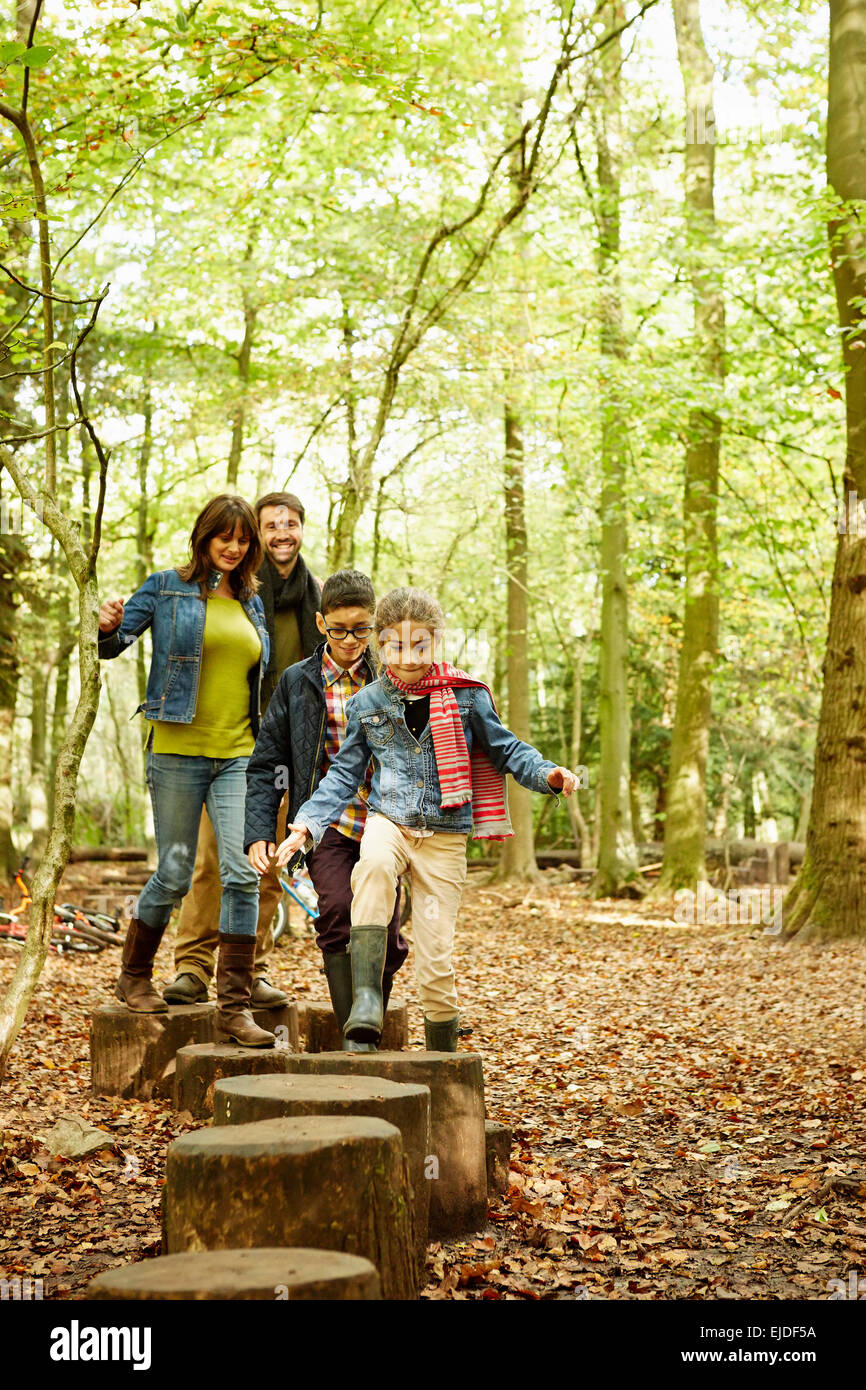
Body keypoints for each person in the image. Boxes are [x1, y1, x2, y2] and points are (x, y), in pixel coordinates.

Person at [273, 586, 580, 1051]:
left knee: (436, 961)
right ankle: (366, 1001)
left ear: (436, 641)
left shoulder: (467, 697)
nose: (408, 655)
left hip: (444, 834)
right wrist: (307, 823)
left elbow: (507, 749)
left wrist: (547, 775)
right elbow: (342, 774)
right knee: (372, 867)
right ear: (380, 643)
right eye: (396, 644)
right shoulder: (368, 702)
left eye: (420, 644)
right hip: (388, 821)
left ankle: (442, 1054)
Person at [97, 494, 276, 1048]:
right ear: (204, 536)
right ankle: (133, 976)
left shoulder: (252, 600)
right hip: (175, 751)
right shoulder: (165, 586)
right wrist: (104, 625)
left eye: (244, 539)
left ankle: (232, 1010)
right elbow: (113, 646)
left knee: (242, 872)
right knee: (174, 874)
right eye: (225, 536)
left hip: (238, 753)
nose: (234, 546)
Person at [163, 491, 322, 1007]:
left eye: (290, 523)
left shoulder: (315, 597)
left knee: (269, 860)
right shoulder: (236, 592)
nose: (282, 533)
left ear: (302, 529)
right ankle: (192, 965)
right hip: (235, 743)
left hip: (289, 750)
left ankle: (251, 967)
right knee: (212, 858)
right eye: (271, 524)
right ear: (258, 534)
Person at [245, 570, 408, 1052]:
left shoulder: (395, 675)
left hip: (388, 819)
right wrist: (260, 830)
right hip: (326, 821)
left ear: (375, 625)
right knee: (337, 910)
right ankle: (357, 1039)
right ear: (320, 623)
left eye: (361, 628)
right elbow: (265, 764)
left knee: (385, 928)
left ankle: (371, 1010)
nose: (351, 640)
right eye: (338, 629)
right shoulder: (297, 683)